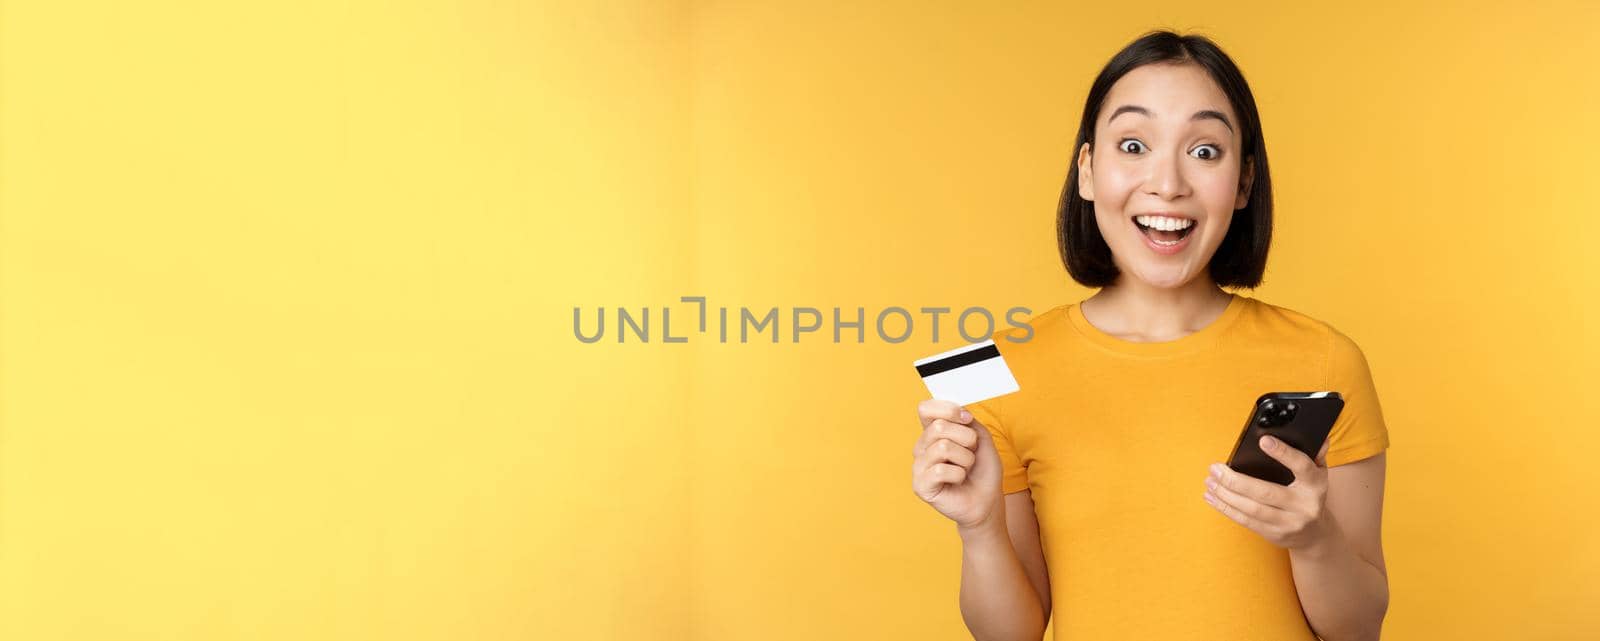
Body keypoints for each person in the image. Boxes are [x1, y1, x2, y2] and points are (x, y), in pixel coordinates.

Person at [910, 30, 1390, 641]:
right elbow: (1009, 636)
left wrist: (1312, 538)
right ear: (1087, 171)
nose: (1168, 184)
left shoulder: (1325, 360)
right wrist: (977, 527)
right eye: (1133, 145)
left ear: (1243, 184)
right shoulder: (992, 366)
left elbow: (1361, 630)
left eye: (1206, 152)